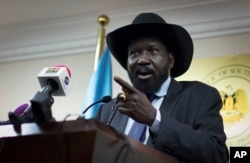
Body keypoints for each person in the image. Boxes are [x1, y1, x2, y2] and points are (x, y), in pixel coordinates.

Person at [95, 12, 229, 163]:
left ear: (170, 61)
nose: (142, 60)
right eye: (134, 53)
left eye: (153, 51)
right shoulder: (107, 110)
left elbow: (218, 155)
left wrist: (155, 119)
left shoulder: (200, 97)